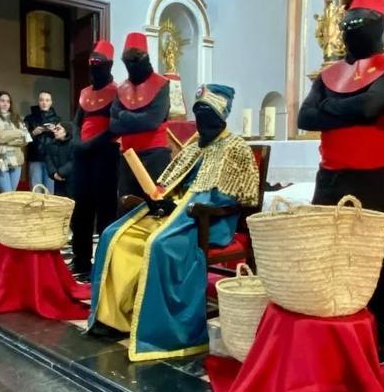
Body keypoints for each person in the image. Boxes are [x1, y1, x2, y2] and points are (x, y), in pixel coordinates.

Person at [88, 84, 259, 362]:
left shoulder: (235, 147)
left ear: (221, 115)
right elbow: (169, 182)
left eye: (207, 113)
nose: (201, 119)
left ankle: (163, 331)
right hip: (175, 213)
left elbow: (233, 196)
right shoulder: (193, 146)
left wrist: (181, 207)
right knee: (115, 235)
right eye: (197, 112)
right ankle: (115, 317)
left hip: (207, 219)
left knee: (160, 245)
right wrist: (161, 199)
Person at [297, 0, 384, 365]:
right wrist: (352, 107)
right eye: (348, 23)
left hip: (371, 177)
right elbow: (305, 116)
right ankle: (333, 324)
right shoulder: (329, 73)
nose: (352, 29)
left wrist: (331, 107)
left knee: (373, 255)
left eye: (361, 23)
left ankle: (377, 330)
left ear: (378, 25)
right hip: (330, 176)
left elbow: (372, 106)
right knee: (328, 252)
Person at [70, 41, 120, 279]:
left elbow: (115, 126)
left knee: (105, 211)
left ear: (109, 65)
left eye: (98, 63)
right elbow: (77, 122)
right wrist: (77, 142)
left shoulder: (117, 92)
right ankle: (80, 261)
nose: (94, 67)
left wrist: (91, 144)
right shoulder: (84, 93)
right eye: (91, 63)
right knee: (81, 210)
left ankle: (103, 263)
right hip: (83, 157)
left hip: (105, 156)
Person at [111, 32, 172, 200]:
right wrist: (138, 118)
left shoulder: (161, 84)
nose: (132, 65)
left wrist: (123, 115)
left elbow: (152, 121)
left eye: (135, 60)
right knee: (127, 204)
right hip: (128, 157)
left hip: (155, 156)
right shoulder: (121, 88)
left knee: (155, 205)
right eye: (128, 61)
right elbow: (113, 125)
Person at [0, 91, 28, 193]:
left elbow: (26, 139)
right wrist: (18, 132)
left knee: (12, 196)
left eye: (8, 101)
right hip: (1, 162)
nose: (5, 104)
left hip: (16, 161)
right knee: (6, 195)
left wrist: (6, 139)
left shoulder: (17, 118)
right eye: (2, 101)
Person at [24, 91, 61, 192]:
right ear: (38, 101)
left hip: (52, 159)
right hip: (35, 157)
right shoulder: (29, 118)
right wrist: (33, 133)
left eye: (47, 100)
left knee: (50, 191)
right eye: (41, 100)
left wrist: (55, 131)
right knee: (36, 190)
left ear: (51, 102)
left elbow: (63, 139)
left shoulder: (57, 119)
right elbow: (22, 139)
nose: (44, 103)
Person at [44, 122, 74, 197]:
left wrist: (60, 173)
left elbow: (73, 161)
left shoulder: (74, 144)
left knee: (72, 201)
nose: (55, 131)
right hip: (57, 180)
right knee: (59, 202)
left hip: (72, 180)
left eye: (58, 129)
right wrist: (54, 174)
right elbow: (48, 160)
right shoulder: (51, 144)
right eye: (54, 129)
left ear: (66, 131)